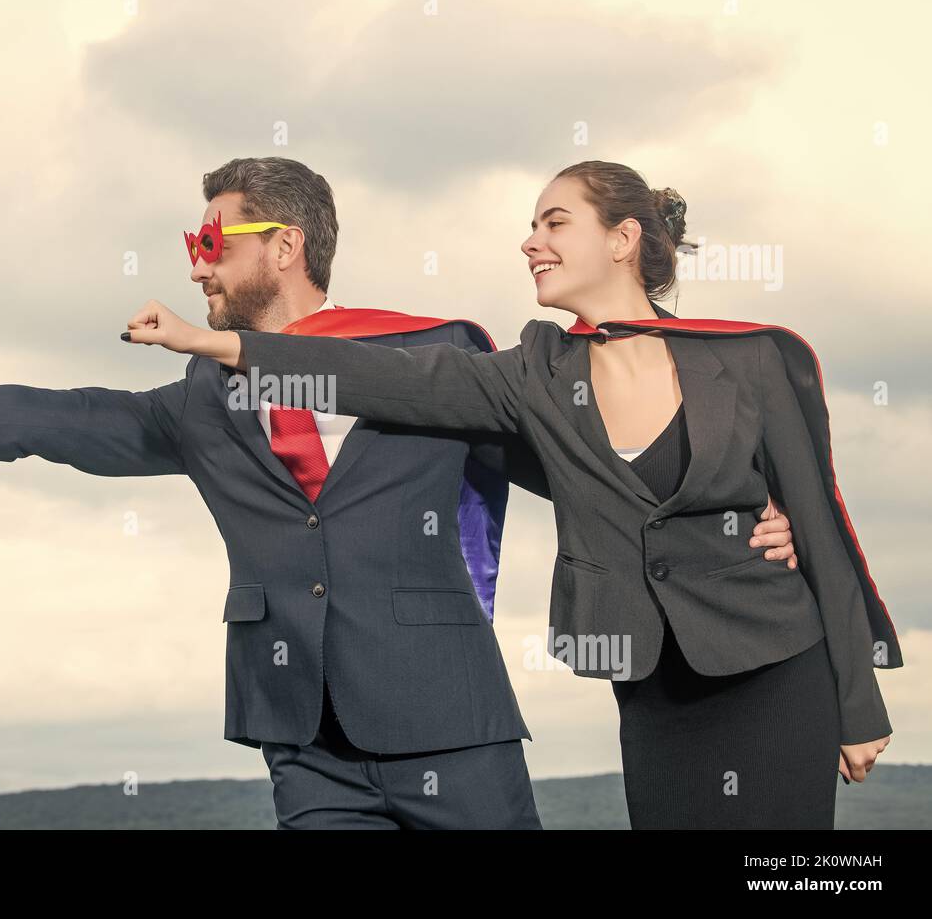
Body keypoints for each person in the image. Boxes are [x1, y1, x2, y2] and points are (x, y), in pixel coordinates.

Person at [122, 160, 896, 829]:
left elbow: (823, 530)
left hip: (777, 663)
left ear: (622, 239)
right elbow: (383, 377)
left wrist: (859, 705)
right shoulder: (534, 372)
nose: (532, 241)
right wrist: (212, 342)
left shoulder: (755, 356)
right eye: (530, 225)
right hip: (655, 686)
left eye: (555, 222)